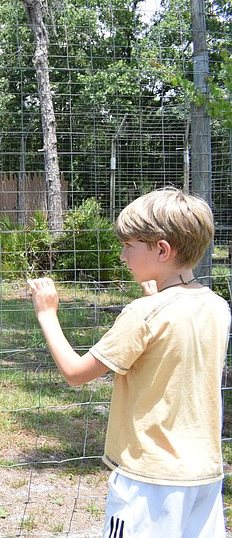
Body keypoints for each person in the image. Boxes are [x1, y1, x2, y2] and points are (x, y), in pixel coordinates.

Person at [27, 187, 230, 538]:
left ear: (162, 250)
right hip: (204, 475)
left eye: (128, 245)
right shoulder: (217, 306)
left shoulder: (143, 314)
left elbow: (76, 373)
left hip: (149, 481)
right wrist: (155, 298)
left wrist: (47, 314)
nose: (123, 256)